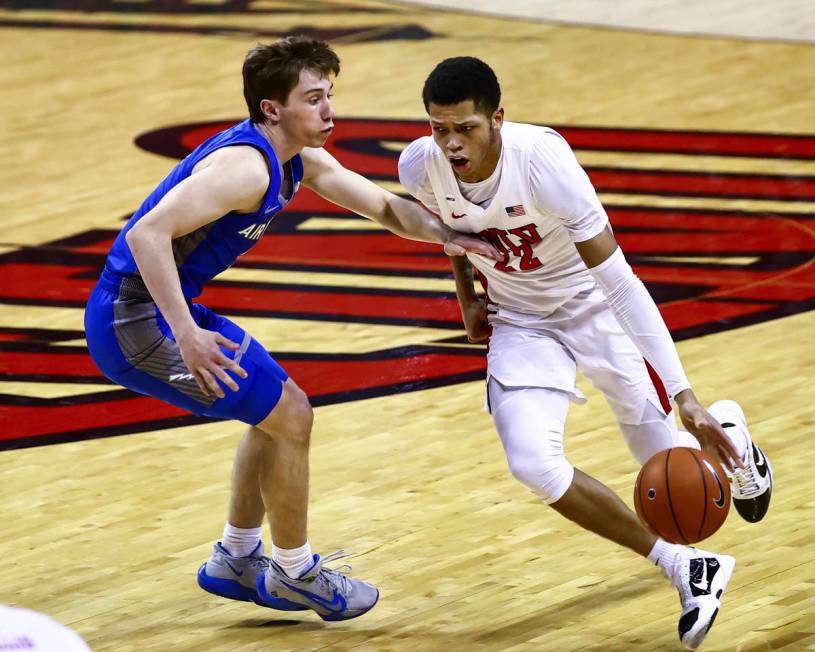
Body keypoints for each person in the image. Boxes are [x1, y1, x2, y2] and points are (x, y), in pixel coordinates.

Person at [84, 37, 498, 622]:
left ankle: (236, 557)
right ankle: (296, 572)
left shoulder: (296, 157)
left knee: (280, 410)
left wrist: (449, 236)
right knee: (291, 418)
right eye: (313, 98)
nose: (329, 110)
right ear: (272, 109)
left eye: (329, 95)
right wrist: (186, 334)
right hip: (138, 320)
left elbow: (383, 207)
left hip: (159, 308)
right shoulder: (245, 167)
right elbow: (145, 234)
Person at [398, 56, 773, 649]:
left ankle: (726, 435)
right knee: (532, 463)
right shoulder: (421, 163)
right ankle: (686, 568)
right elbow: (450, 228)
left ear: (497, 117)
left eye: (464, 128)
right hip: (521, 320)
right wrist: (467, 295)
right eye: (438, 128)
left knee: (665, 470)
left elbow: (620, 281)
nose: (450, 143)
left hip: (592, 303)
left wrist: (686, 397)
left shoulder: (543, 163)